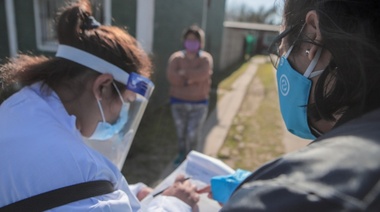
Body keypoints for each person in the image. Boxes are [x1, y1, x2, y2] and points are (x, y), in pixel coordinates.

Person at [0, 0, 200, 211]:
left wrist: (133, 192)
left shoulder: (19, 109)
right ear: (103, 87)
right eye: (126, 103)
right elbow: (81, 188)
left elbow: (77, 196)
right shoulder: (73, 166)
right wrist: (177, 202)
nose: (121, 116)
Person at [201, 0, 380, 211]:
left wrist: (269, 196)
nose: (282, 57)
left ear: (312, 35)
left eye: (282, 45)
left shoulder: (302, 194)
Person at [166, 25, 213, 165]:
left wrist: (183, 74)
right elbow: (171, 76)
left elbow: (203, 74)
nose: (191, 42)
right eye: (189, 39)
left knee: (193, 134)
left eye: (195, 40)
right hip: (178, 103)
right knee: (181, 133)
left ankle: (192, 159)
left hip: (199, 104)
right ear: (184, 41)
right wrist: (192, 78)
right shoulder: (176, 58)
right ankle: (182, 154)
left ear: (200, 42)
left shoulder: (205, 59)